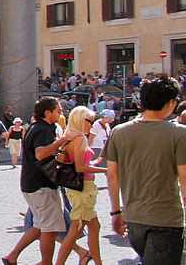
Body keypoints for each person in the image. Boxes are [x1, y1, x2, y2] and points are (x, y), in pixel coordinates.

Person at [105, 73, 186, 265]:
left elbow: (112, 176)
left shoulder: (119, 131)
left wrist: (116, 212)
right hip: (166, 219)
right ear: (171, 103)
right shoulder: (179, 134)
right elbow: (184, 179)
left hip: (134, 218)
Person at [3, 96, 75, 265]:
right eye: (58, 110)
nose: (61, 113)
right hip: (41, 184)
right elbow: (41, 153)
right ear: (47, 112)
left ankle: (12, 256)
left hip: (32, 183)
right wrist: (63, 140)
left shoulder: (36, 127)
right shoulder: (43, 129)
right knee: (49, 228)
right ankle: (46, 262)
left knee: (40, 224)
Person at [53, 107, 107, 265]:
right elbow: (81, 167)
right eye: (89, 120)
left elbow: (78, 163)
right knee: (76, 229)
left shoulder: (71, 136)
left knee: (94, 226)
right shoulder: (79, 138)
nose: (91, 124)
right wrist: (107, 169)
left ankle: (97, 262)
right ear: (79, 120)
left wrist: (95, 163)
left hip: (79, 187)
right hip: (83, 187)